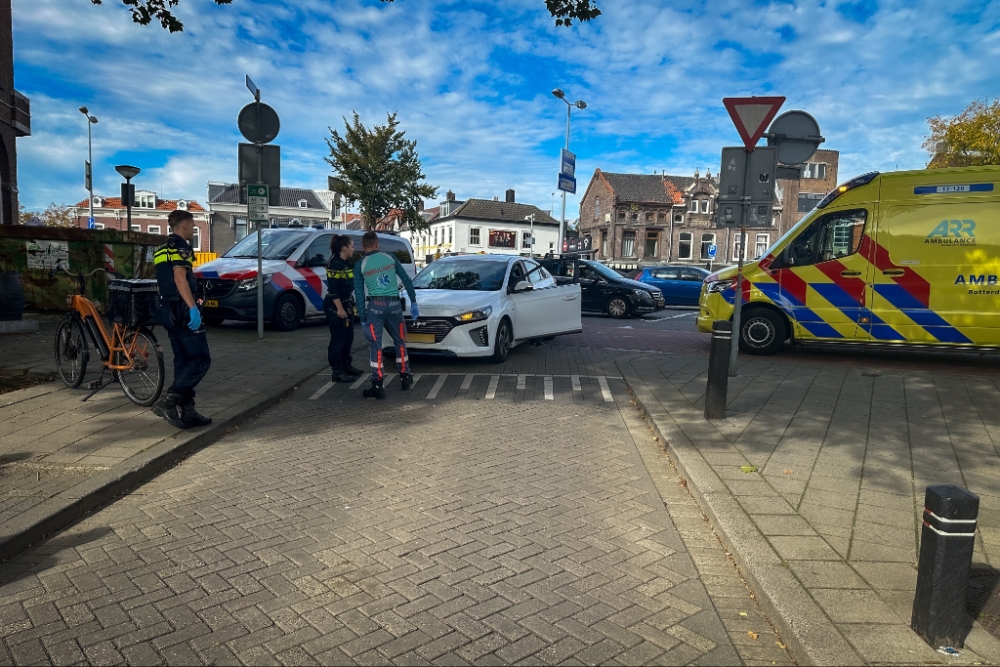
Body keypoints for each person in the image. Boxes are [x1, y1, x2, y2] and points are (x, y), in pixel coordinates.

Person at [150, 209, 212, 429]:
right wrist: (192, 307)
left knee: (183, 360)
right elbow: (179, 278)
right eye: (192, 224)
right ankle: (169, 400)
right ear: (185, 225)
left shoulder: (161, 248)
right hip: (182, 309)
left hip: (167, 309)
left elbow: (162, 278)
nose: (193, 228)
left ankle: (188, 411)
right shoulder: (181, 246)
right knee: (201, 359)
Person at [354, 231, 418, 399]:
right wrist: (413, 301)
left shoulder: (360, 264)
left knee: (376, 345)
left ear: (363, 246)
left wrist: (362, 319)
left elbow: (359, 294)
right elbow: (406, 279)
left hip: (375, 307)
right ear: (377, 244)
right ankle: (405, 376)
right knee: (400, 341)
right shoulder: (390, 257)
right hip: (394, 305)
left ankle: (378, 384)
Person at [324, 234, 364, 383]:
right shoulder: (335, 264)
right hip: (336, 306)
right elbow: (333, 290)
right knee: (338, 339)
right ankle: (337, 371)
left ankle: (346, 366)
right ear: (344, 248)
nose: (353, 249)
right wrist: (339, 309)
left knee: (348, 338)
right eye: (352, 246)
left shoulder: (347, 263)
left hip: (346, 304)